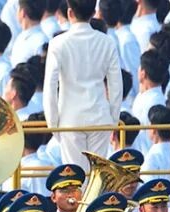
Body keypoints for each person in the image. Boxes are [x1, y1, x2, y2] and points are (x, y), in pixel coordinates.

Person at [42, 0, 122, 168]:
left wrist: (53, 124)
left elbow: (50, 87)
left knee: (75, 178)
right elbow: (115, 85)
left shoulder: (58, 43)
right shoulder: (107, 42)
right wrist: (113, 119)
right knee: (97, 176)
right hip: (100, 117)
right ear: (94, 13)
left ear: (70, 13)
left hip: (70, 119)